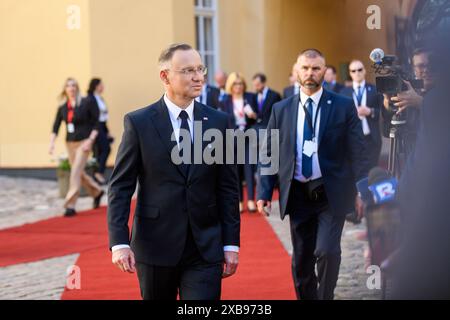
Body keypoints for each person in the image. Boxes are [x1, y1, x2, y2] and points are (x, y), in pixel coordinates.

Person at [107, 43, 240, 300]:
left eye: (200, 69)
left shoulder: (219, 122)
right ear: (165, 76)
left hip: (205, 247)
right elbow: (120, 187)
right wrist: (120, 242)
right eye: (188, 70)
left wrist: (231, 243)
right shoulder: (138, 123)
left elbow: (228, 188)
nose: (198, 76)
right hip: (155, 246)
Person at [257, 49, 368, 300]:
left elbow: (358, 151)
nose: (310, 73)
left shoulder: (342, 105)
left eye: (316, 68)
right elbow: (270, 153)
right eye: (305, 68)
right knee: (302, 260)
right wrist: (264, 192)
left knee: (327, 251)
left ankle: (325, 296)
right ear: (296, 70)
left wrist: (362, 189)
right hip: (297, 194)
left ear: (325, 71)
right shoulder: (281, 109)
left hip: (331, 192)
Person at [49, 78, 104, 217]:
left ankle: (70, 205)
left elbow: (97, 123)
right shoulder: (63, 108)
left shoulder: (86, 103)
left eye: (73, 85)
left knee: (74, 171)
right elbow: (55, 127)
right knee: (78, 172)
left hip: (84, 143)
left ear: (77, 88)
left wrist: (90, 140)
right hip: (70, 144)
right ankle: (97, 192)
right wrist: (51, 143)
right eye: (68, 86)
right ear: (65, 90)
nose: (71, 88)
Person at [221, 72, 258, 213]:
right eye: (236, 83)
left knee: (249, 169)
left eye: (241, 83)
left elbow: (259, 117)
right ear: (231, 85)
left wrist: (253, 116)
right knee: (236, 171)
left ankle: (250, 200)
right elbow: (224, 120)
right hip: (233, 138)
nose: (239, 86)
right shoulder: (225, 101)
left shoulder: (250, 97)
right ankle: (240, 201)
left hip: (248, 137)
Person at [340, 60, 382, 170]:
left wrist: (370, 111)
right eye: (353, 71)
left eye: (359, 70)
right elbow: (340, 116)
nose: (357, 73)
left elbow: (384, 112)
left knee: (372, 171)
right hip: (352, 139)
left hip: (371, 139)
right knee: (356, 173)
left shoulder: (374, 89)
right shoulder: (343, 93)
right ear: (350, 73)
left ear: (364, 71)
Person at [85, 78, 114, 185]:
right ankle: (98, 173)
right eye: (101, 85)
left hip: (102, 127)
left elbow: (103, 117)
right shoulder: (90, 99)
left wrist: (107, 131)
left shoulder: (100, 99)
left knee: (99, 151)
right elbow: (91, 117)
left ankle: (95, 175)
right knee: (105, 149)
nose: (103, 87)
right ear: (96, 86)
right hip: (94, 128)